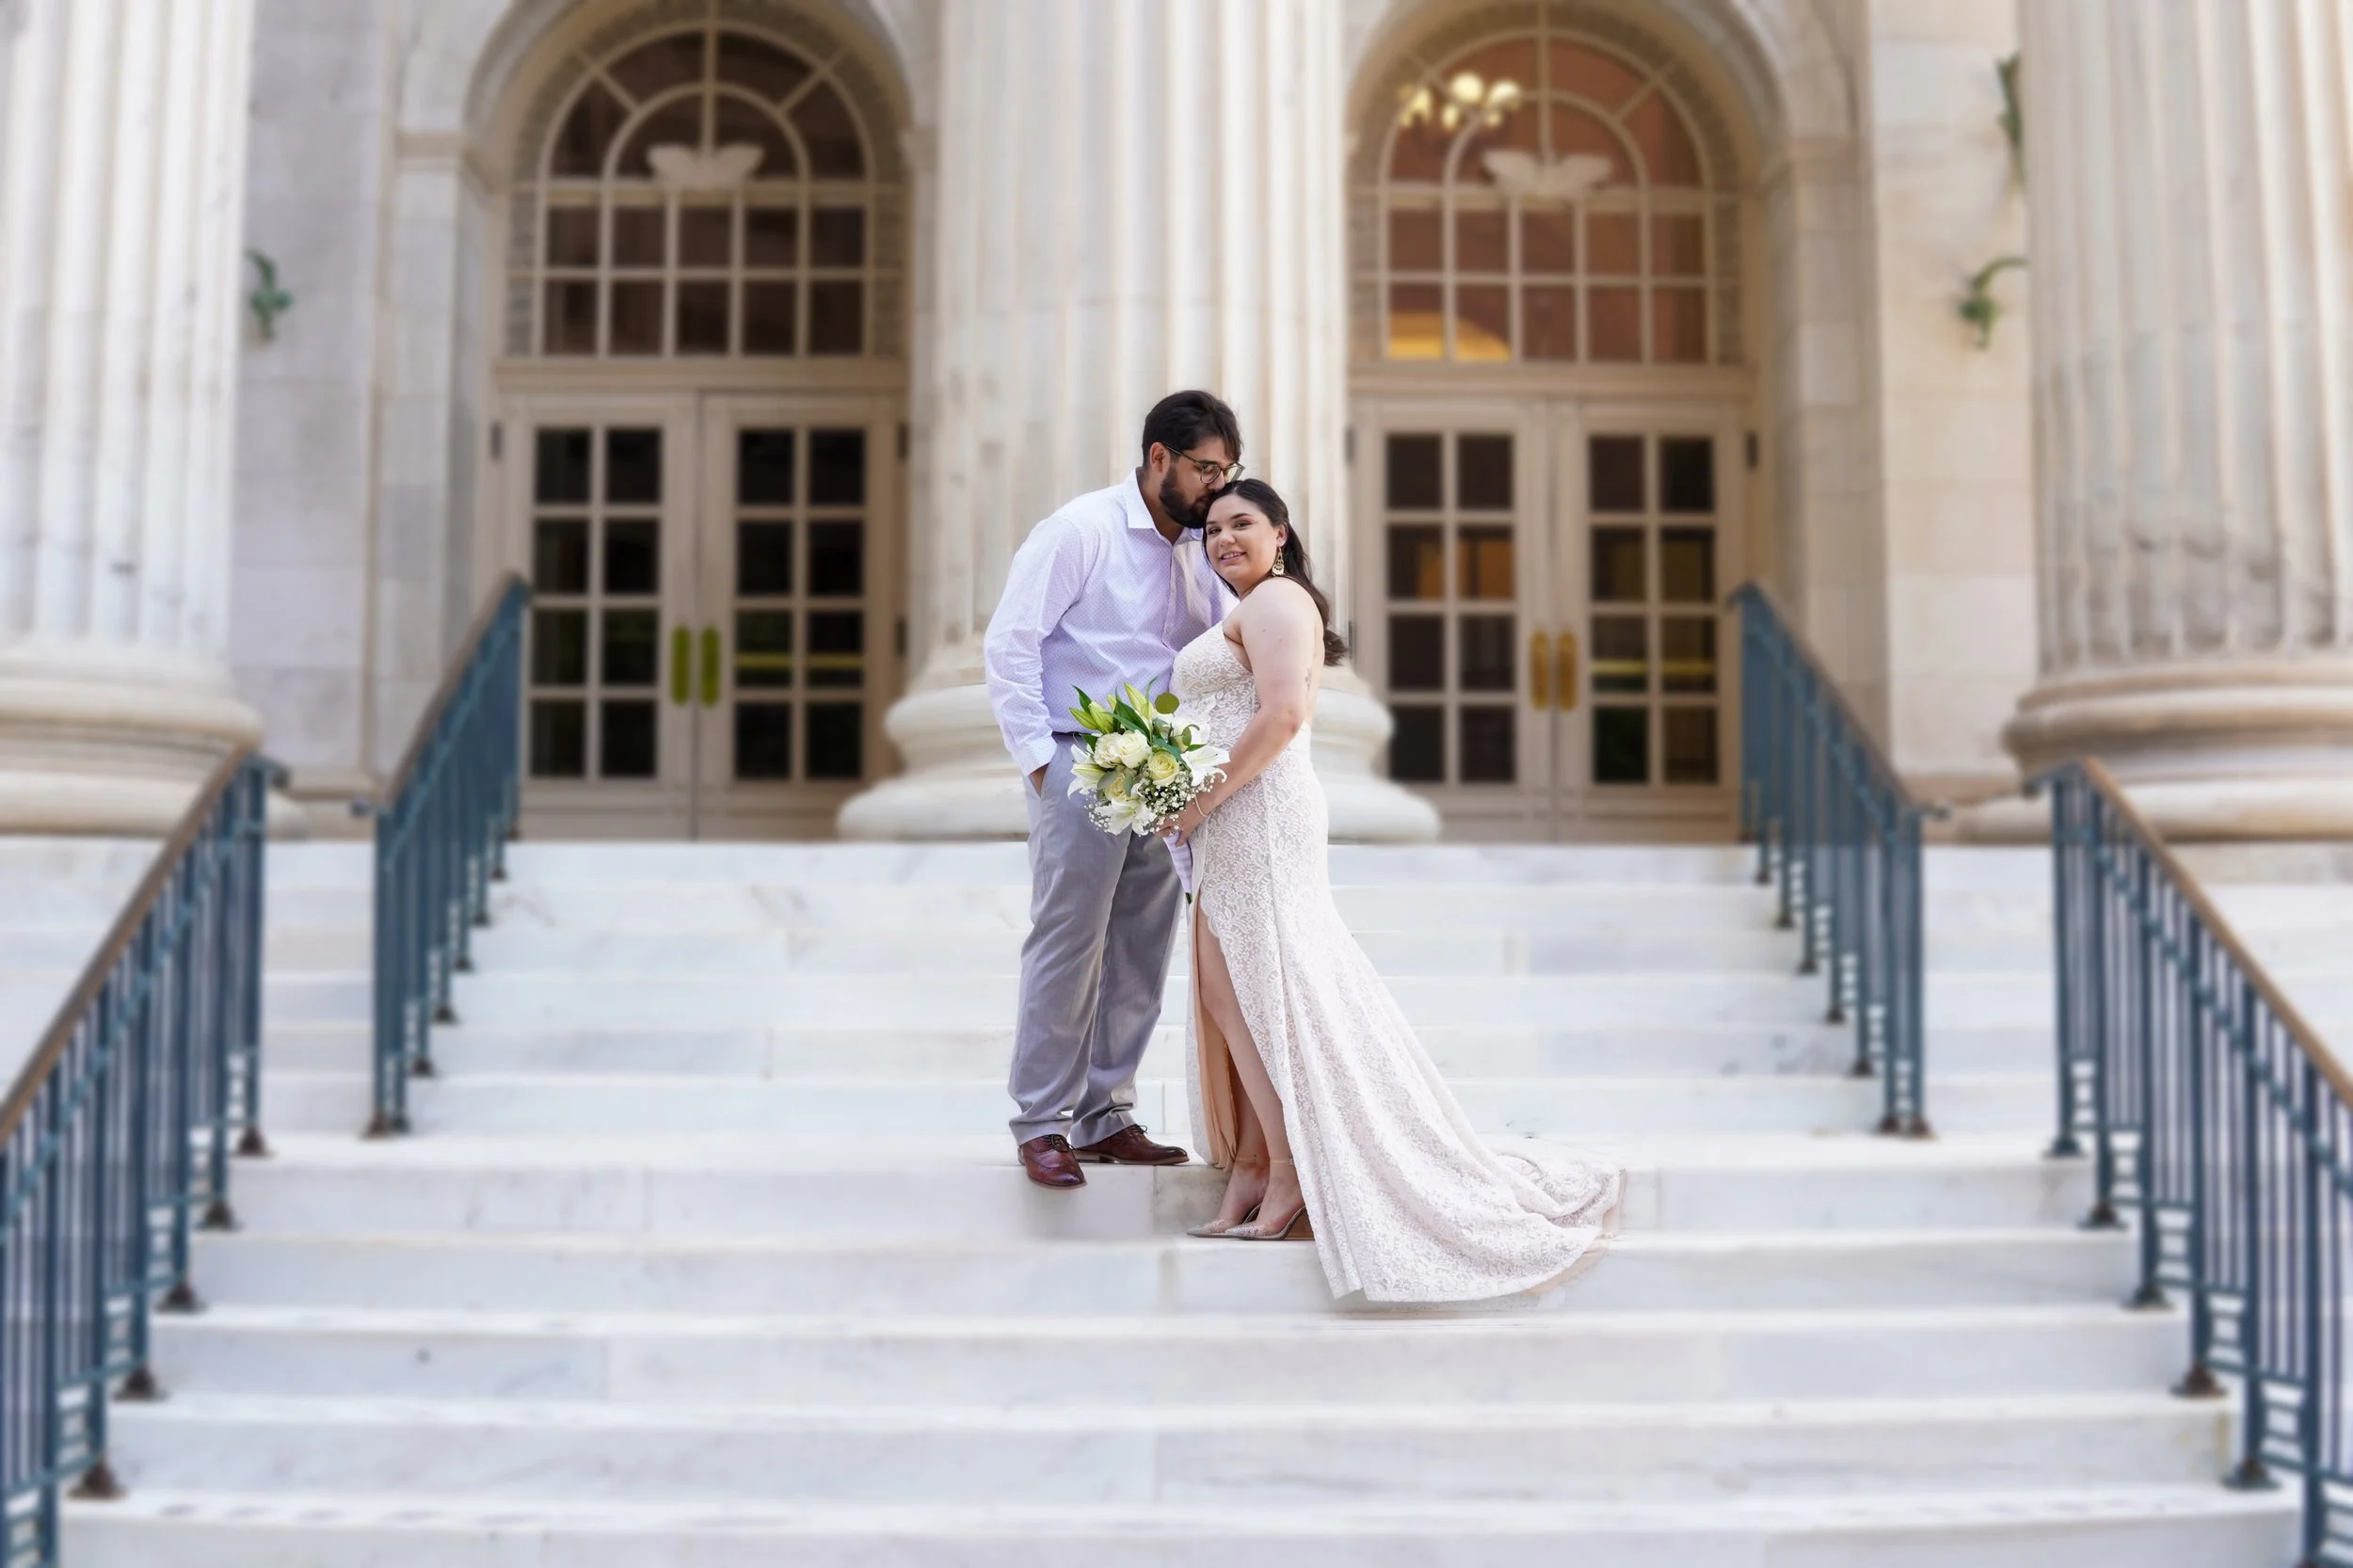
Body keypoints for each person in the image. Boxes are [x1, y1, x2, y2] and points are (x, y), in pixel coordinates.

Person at [1161, 479, 1621, 1303]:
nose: (1224, 538)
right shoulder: (1249, 605)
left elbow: (1284, 714)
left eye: (1242, 524)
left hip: (1257, 814)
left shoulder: (1275, 601)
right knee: (1229, 999)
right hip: (1234, 815)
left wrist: (1199, 797)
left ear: (1280, 533)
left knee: (1272, 989)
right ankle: (1261, 1161)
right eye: (1213, 528)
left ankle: (1293, 1166)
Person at [983, 391, 1243, 1189]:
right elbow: (1011, 643)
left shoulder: (1208, 549)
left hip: (1168, 770)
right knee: (1069, 941)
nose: (1216, 488)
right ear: (1159, 459)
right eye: (1205, 469)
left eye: (1228, 472)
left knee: (1140, 946)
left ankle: (1106, 1115)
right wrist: (1041, 763)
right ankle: (1041, 1122)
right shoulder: (1080, 531)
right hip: (1080, 760)